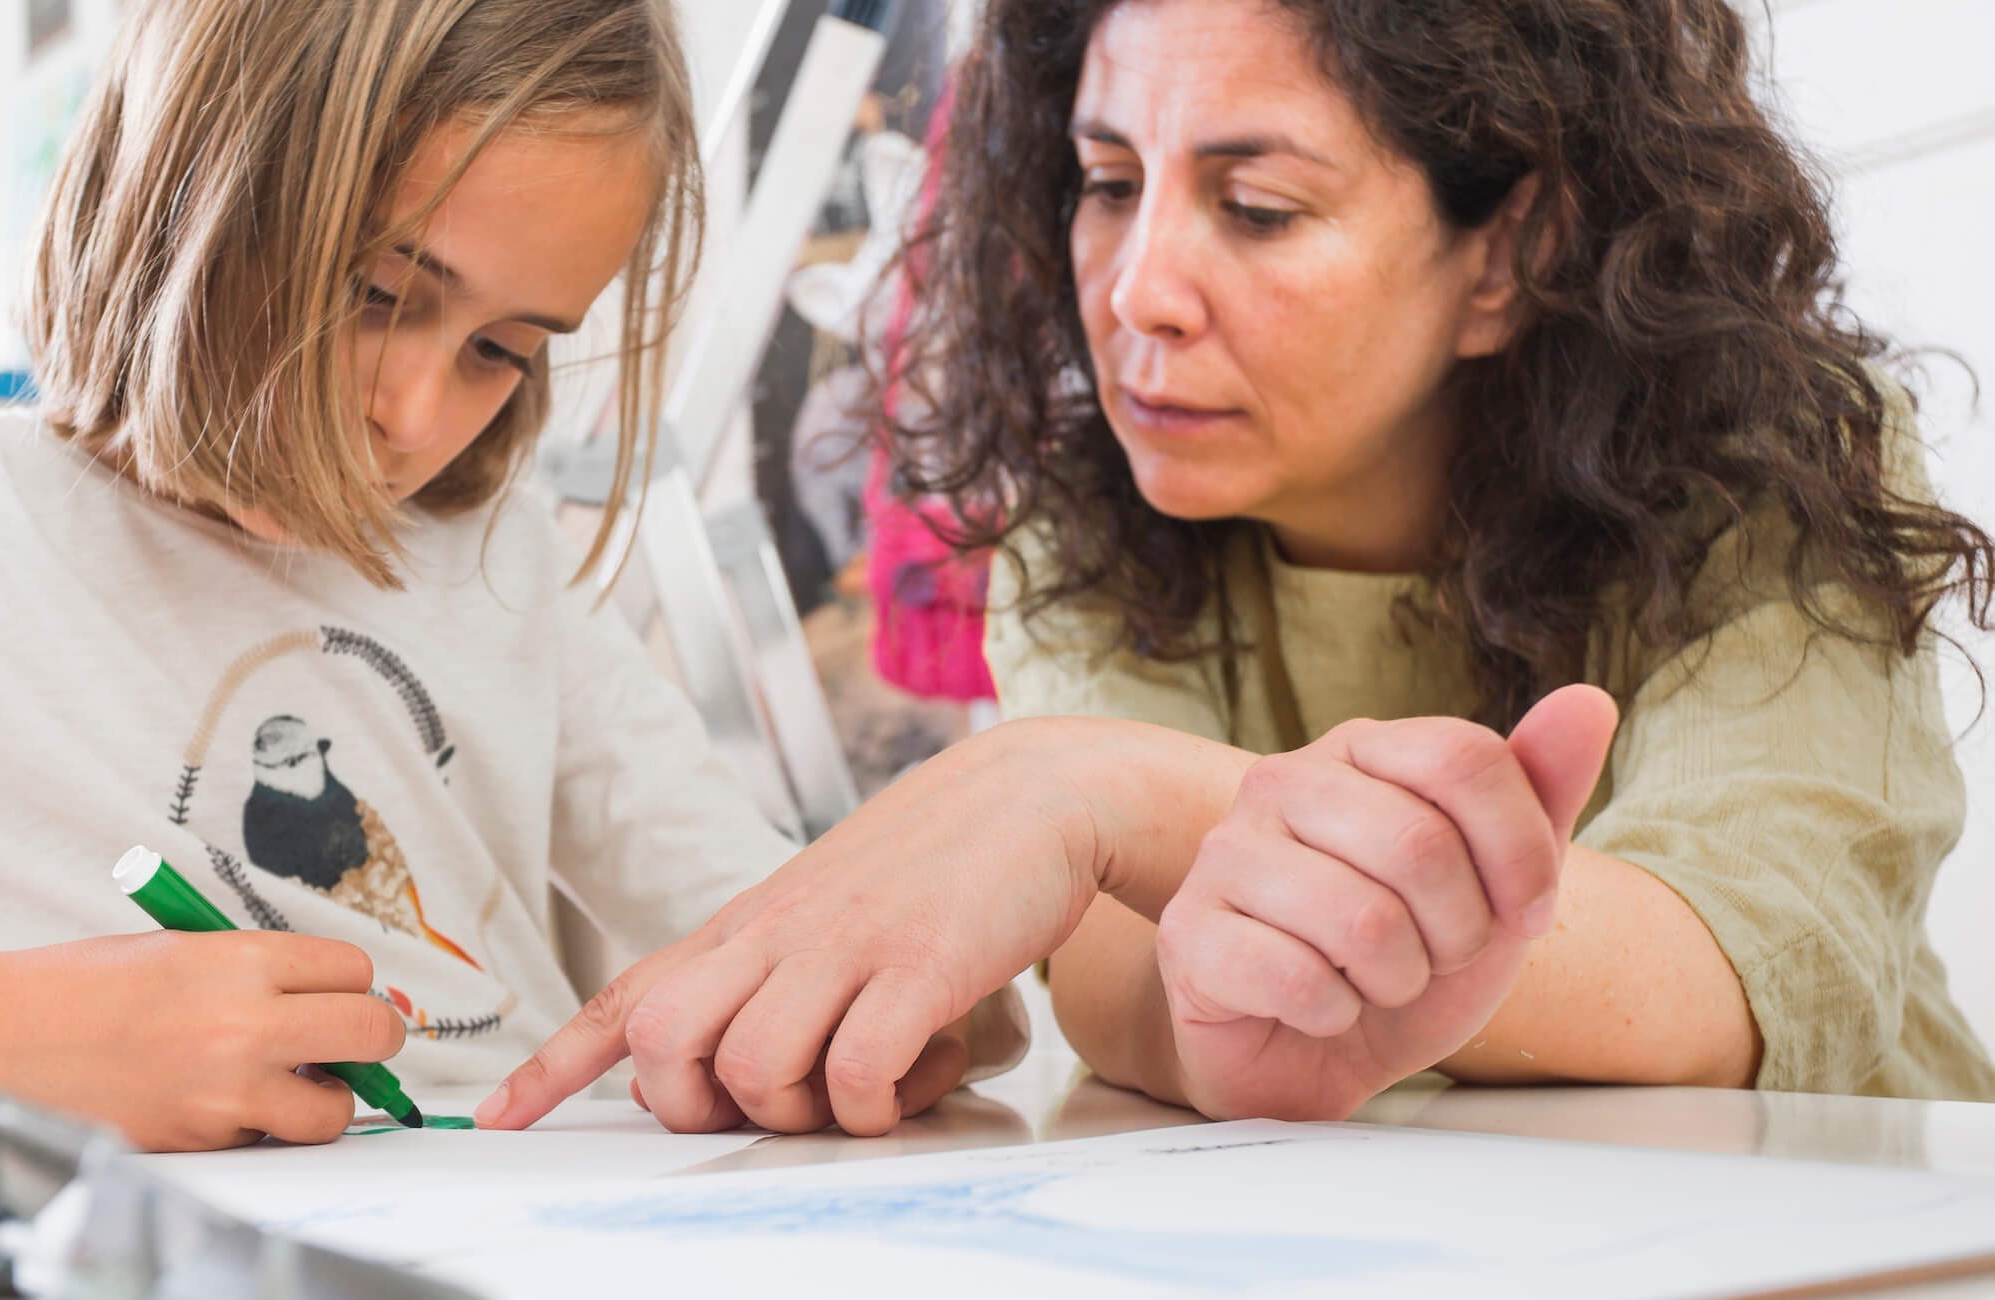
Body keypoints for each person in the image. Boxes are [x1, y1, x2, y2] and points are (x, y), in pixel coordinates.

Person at [0, 0, 1043, 1160]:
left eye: (502, 352)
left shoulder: (488, 551)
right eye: (382, 294)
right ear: (196, 181)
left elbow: (749, 917)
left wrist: (872, 1009)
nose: (419, 416)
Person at [477, 0, 1995, 1135]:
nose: (1137, 293)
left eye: (1257, 209)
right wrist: (1230, 1035)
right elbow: (1130, 994)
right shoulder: (1084, 515)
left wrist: (1097, 791)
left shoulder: (1771, 466)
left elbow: (1724, 973)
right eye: (1108, 182)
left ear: (1510, 250)